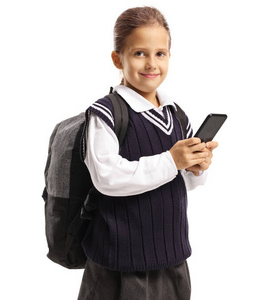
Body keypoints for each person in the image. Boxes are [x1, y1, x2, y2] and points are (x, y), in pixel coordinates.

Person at [78, 6, 218, 300]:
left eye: (160, 53)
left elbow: (186, 182)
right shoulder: (106, 115)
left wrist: (197, 167)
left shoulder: (176, 115)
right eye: (139, 53)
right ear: (118, 58)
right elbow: (108, 177)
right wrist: (172, 160)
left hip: (173, 256)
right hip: (120, 262)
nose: (151, 64)